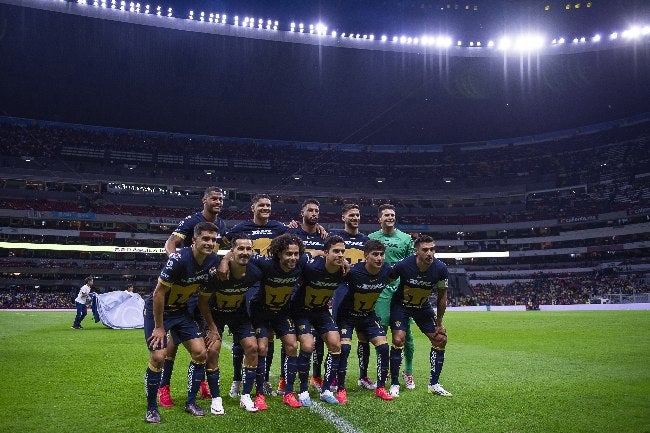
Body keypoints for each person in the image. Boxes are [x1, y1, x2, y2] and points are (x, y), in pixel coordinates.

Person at [143, 221, 220, 423]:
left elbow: (203, 299)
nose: (210, 243)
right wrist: (159, 327)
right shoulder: (178, 259)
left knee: (200, 352)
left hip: (181, 312)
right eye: (205, 238)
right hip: (158, 312)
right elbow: (158, 293)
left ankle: (191, 402)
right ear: (194, 240)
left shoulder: (212, 261)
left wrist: (212, 327)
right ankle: (151, 408)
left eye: (213, 239)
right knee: (159, 356)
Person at [220, 233, 307, 409]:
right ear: (278, 254)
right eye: (288, 254)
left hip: (282, 313)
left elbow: (316, 254)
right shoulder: (265, 263)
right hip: (261, 312)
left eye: (296, 254)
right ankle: (259, 393)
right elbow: (240, 255)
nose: (293, 258)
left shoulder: (301, 264)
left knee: (292, 346)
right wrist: (224, 261)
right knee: (261, 348)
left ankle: (288, 392)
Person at [157, 186, 226, 408]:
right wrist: (176, 263)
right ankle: (164, 386)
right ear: (204, 200)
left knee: (204, 339)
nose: (218, 202)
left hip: (202, 289)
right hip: (183, 287)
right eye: (214, 198)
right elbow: (170, 243)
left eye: (221, 199)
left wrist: (224, 261)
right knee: (174, 342)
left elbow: (228, 246)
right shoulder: (191, 221)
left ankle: (201, 381)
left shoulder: (221, 225)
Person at [222, 194, 292, 398]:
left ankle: (264, 380)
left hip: (267, 285)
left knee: (267, 336)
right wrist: (226, 259)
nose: (265, 208)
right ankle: (237, 380)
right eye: (261, 205)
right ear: (253, 207)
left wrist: (319, 230)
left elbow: (295, 238)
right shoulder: (241, 228)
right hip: (247, 284)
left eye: (268, 205)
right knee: (241, 336)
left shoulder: (279, 228)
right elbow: (228, 243)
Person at [198, 234, 262, 414]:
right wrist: (211, 328)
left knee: (252, 348)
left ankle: (246, 396)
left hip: (238, 315)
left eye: (248, 249)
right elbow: (202, 302)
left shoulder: (255, 273)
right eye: (240, 249)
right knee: (212, 350)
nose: (245, 252)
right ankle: (216, 398)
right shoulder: (217, 273)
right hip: (215, 316)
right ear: (232, 252)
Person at [386, 235, 452, 398]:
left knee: (440, 339)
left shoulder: (441, 268)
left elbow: (442, 296)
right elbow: (386, 279)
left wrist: (439, 323)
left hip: (422, 308)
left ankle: (434, 384)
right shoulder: (404, 265)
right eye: (425, 250)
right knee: (398, 339)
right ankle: (394, 383)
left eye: (432, 249)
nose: (430, 253)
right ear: (416, 251)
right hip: (401, 306)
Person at [331, 239, 394, 403]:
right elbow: (334, 284)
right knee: (344, 348)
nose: (379, 258)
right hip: (348, 316)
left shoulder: (387, 270)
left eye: (381, 254)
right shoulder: (352, 272)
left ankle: (380, 388)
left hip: (368, 315)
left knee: (384, 347)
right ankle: (341, 388)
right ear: (366, 256)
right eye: (375, 254)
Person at [290, 235, 348, 405]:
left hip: (320, 311)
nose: (340, 255)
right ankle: (302, 390)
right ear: (326, 253)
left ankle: (327, 389)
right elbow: (298, 261)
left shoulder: (342, 271)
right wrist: (313, 252)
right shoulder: (311, 268)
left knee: (336, 344)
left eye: (342, 252)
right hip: (301, 311)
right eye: (335, 251)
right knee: (308, 345)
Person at [369, 203, 417, 390]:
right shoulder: (372, 238)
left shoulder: (405, 239)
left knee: (407, 335)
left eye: (392, 215)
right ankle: (384, 371)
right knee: (381, 333)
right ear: (379, 219)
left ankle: (408, 371)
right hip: (380, 291)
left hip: (401, 291)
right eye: (386, 215)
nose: (390, 217)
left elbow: (411, 264)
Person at [328, 203, 375, 391]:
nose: (355, 218)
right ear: (343, 218)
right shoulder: (337, 239)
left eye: (357, 215)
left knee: (364, 336)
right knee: (338, 337)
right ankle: (333, 377)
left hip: (363, 291)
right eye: (351, 215)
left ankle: (363, 376)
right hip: (342, 289)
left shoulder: (366, 240)